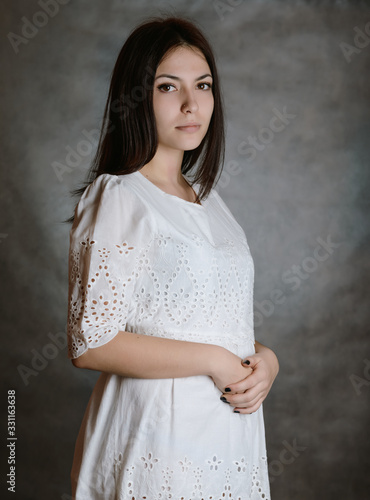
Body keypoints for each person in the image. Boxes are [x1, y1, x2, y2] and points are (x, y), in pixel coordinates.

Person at [66, 15, 279, 499]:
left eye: (202, 85)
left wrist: (266, 359)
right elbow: (90, 342)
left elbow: (208, 318)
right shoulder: (120, 196)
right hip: (159, 439)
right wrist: (214, 361)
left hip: (231, 439)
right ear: (137, 96)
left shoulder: (209, 198)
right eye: (168, 86)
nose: (191, 103)